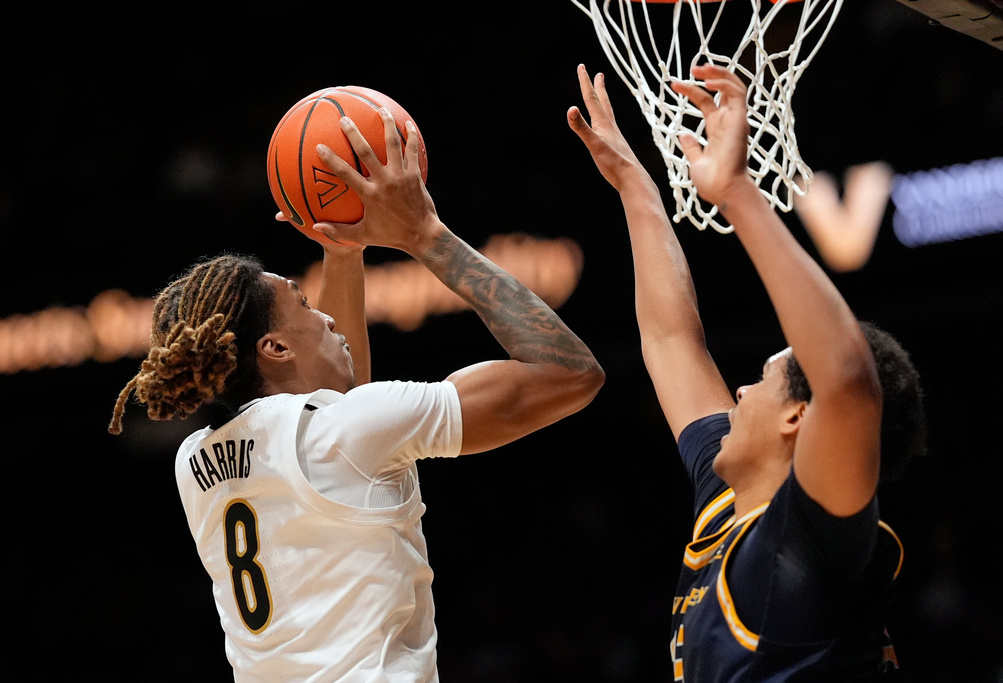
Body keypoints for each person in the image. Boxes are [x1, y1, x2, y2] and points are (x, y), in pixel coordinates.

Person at [109, 108, 604, 681]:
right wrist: (427, 235)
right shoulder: (348, 432)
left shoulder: (194, 463)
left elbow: (340, 413)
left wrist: (341, 251)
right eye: (304, 304)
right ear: (274, 349)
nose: (325, 314)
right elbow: (571, 372)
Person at [568, 63, 926, 680]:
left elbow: (845, 380)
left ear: (799, 417)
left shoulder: (815, 539)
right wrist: (635, 187)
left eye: (761, 377)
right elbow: (670, 340)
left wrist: (738, 194)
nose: (739, 390)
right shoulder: (730, 506)